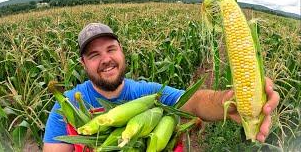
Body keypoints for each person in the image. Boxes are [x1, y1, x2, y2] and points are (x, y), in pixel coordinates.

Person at [43, 23, 280, 152]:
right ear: (83, 63)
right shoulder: (67, 106)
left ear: (122, 52)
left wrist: (230, 102)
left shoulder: (148, 94)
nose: (106, 59)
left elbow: (195, 101)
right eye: (94, 54)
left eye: (111, 49)